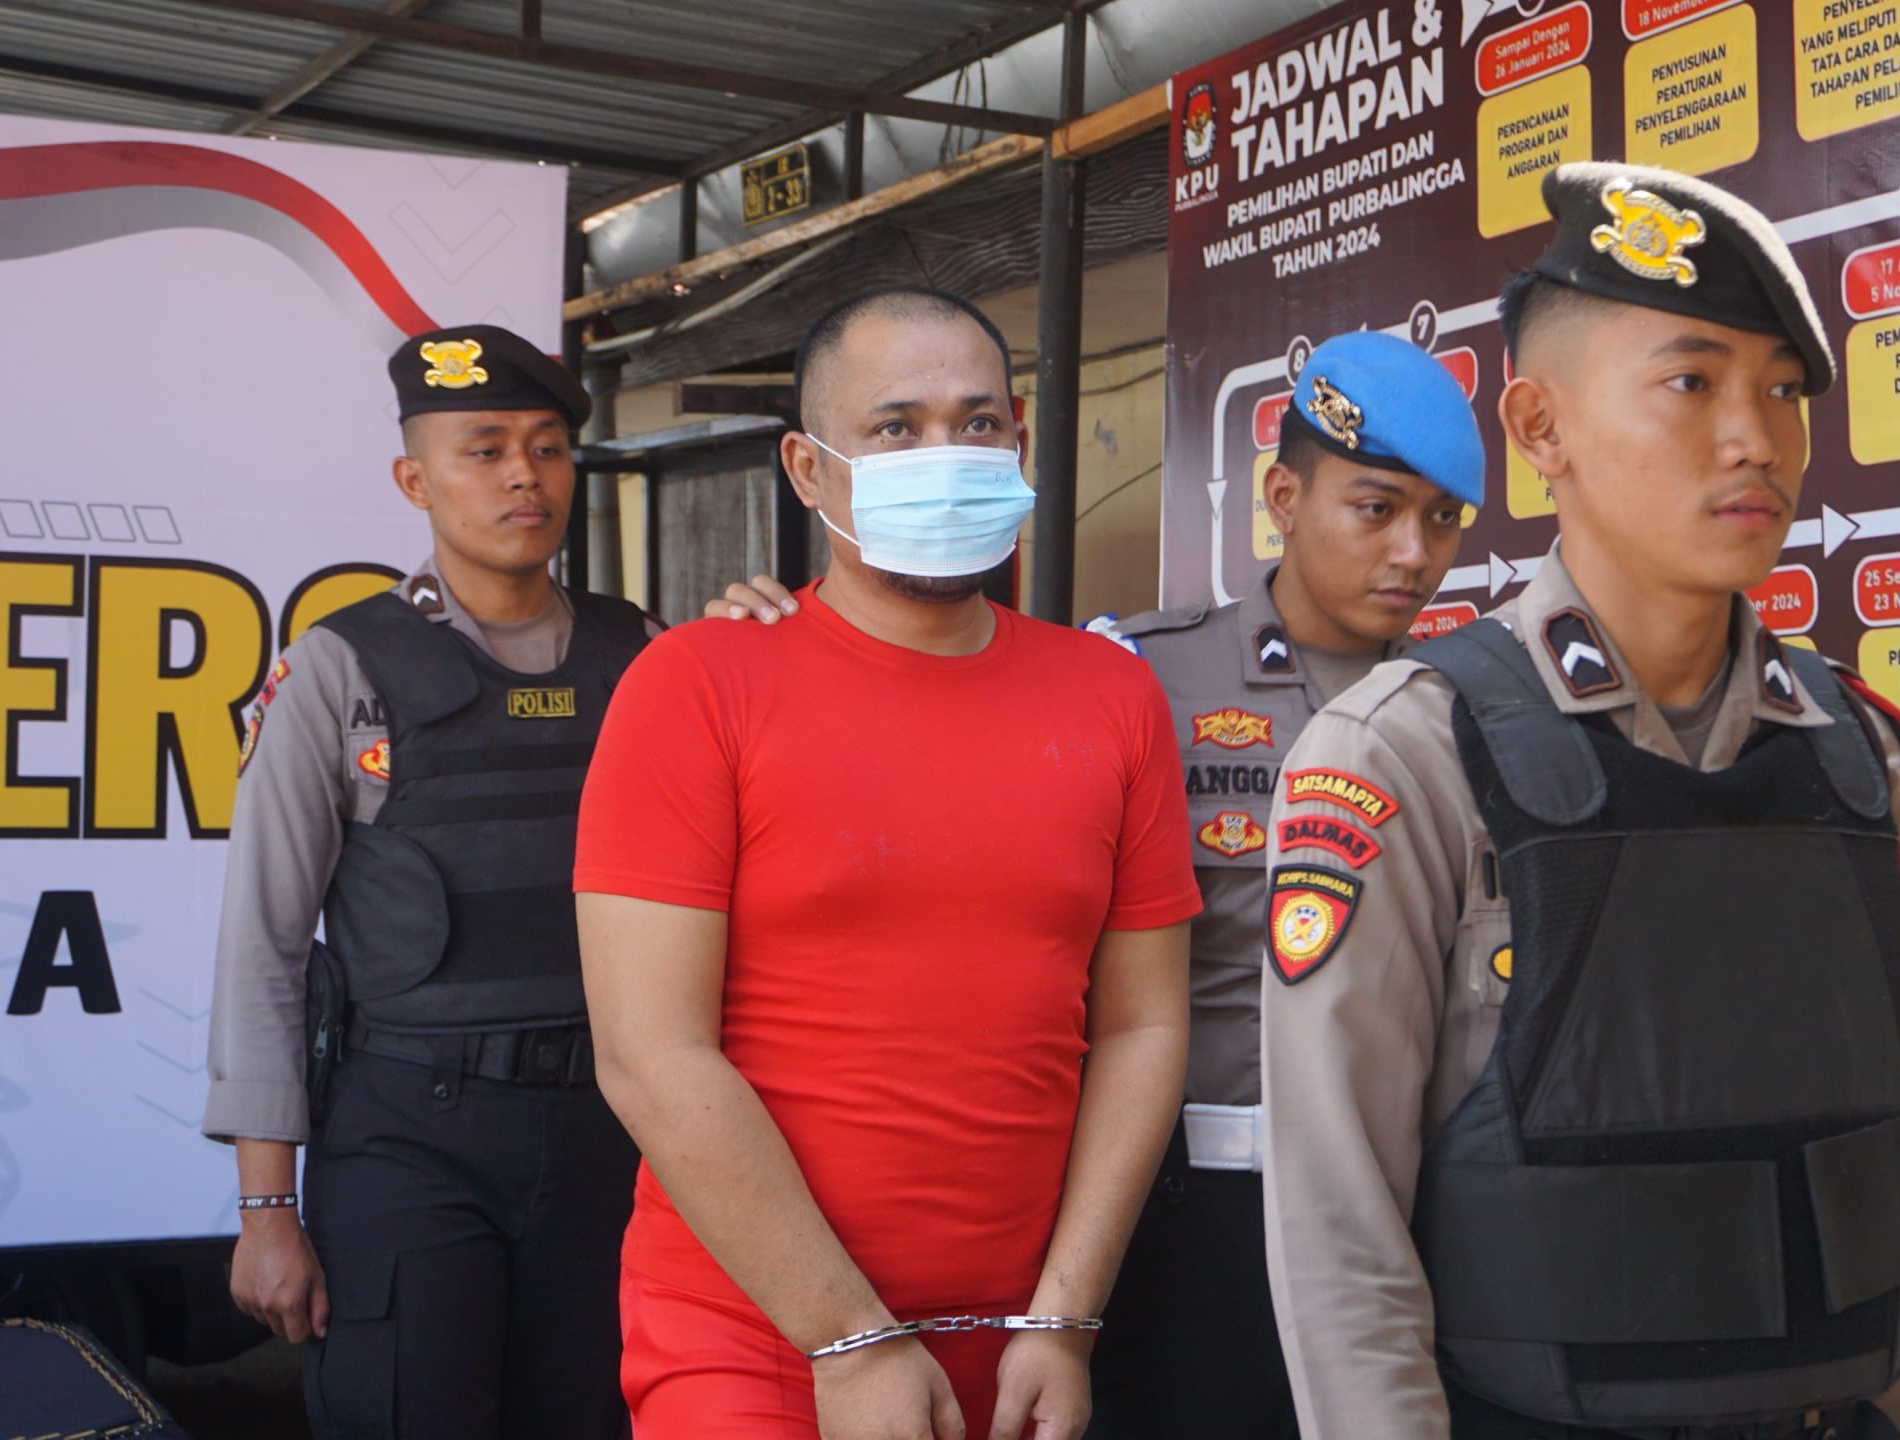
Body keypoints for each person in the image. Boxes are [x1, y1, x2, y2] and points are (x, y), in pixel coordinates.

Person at [1258, 163, 1900, 1440]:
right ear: (1539, 429)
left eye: (1782, 391)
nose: (1756, 439)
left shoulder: (1856, 755)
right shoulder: (1406, 755)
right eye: (1692, 383)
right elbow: (1341, 1241)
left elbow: (1881, 1190)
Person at [575, 284, 1200, 1440]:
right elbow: (649, 1054)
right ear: (808, 470)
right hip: (752, 1339)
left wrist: (1066, 1318)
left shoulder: (1111, 695)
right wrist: (847, 1337)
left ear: (1019, 436)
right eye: (896, 428)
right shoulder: (698, 686)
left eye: (976, 422)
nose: (944, 455)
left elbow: (1143, 1025)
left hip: (1017, 1344)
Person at [205, 324, 786, 1437]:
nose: (525, 475)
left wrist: (768, 659)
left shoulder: (649, 655)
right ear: (414, 480)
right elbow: (264, 947)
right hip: (409, 1138)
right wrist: (266, 1208)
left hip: (617, 1132)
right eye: (485, 450)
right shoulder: (338, 669)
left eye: (547, 448)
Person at [1064, 331, 1484, 1440]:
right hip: (1191, 1215)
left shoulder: (1475, 712)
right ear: (1285, 498)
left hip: (1410, 1207)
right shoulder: (1137, 678)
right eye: (1376, 509)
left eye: (1443, 520)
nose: (1413, 552)